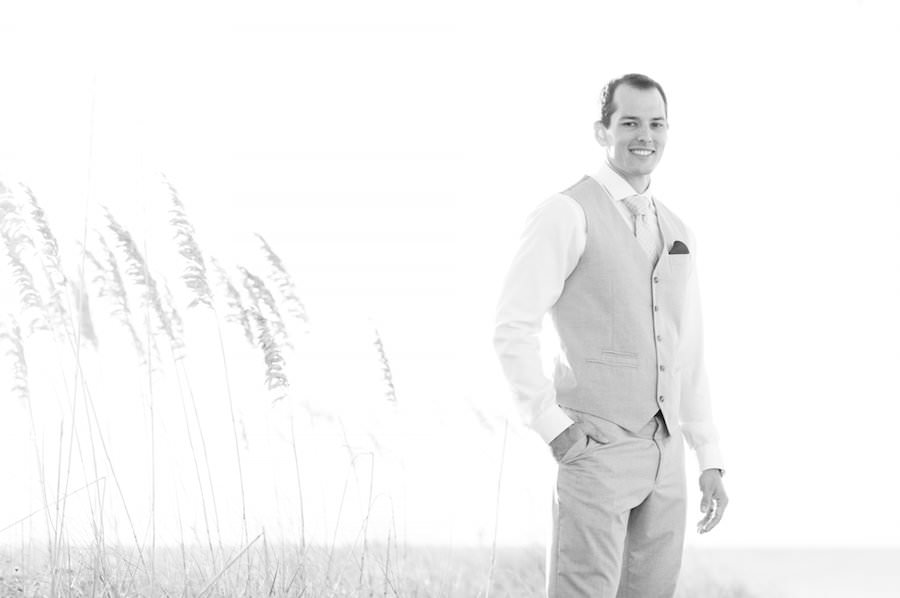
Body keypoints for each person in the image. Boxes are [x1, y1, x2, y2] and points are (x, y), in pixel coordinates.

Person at [493, 73, 728, 597]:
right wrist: (553, 426)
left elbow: (688, 353)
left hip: (666, 457)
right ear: (602, 131)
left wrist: (708, 456)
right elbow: (512, 327)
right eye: (629, 123)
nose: (645, 135)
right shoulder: (566, 212)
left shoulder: (678, 229)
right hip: (594, 446)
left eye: (656, 123)